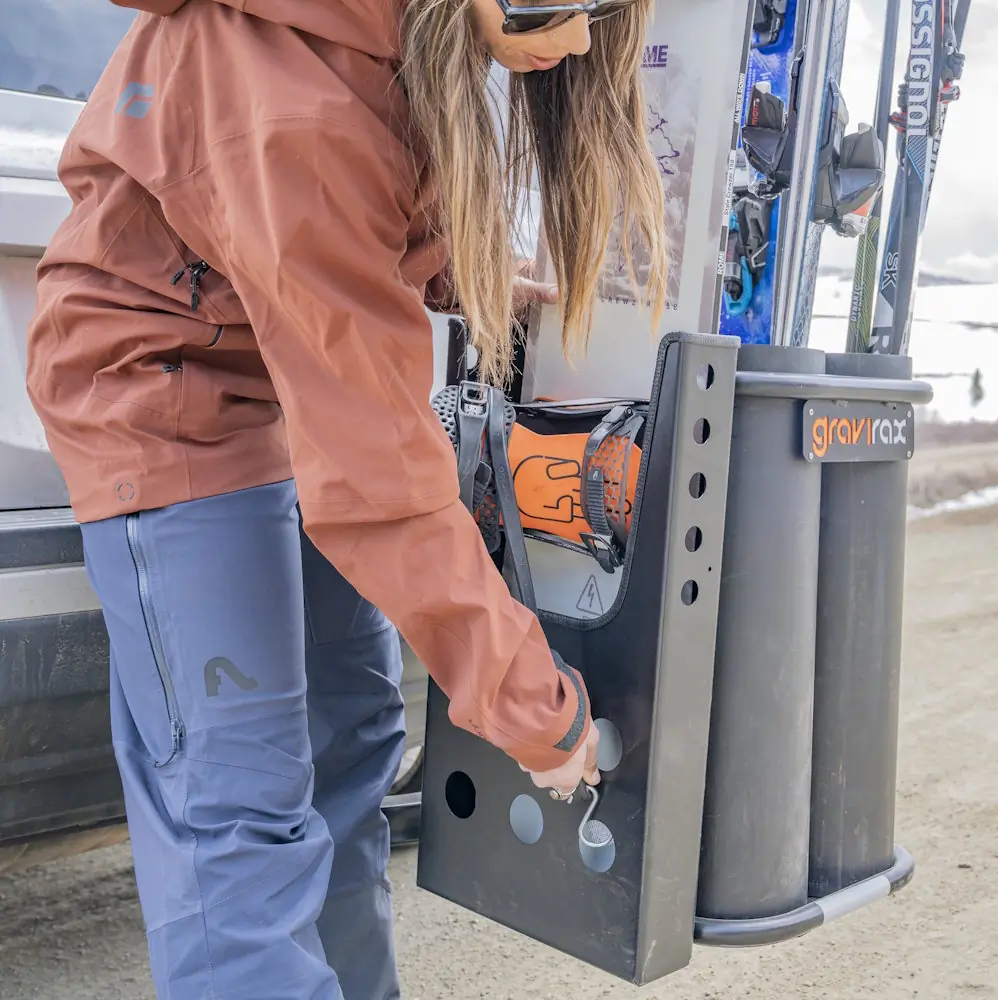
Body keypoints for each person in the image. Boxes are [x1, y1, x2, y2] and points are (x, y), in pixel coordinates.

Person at [24, 0, 670, 996]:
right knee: (241, 810)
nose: (580, 37)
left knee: (353, 748)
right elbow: (379, 476)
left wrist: (466, 271)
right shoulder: (298, 86)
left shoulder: (389, 37)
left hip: (285, 381)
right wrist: (528, 702)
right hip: (163, 392)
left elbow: (346, 222)